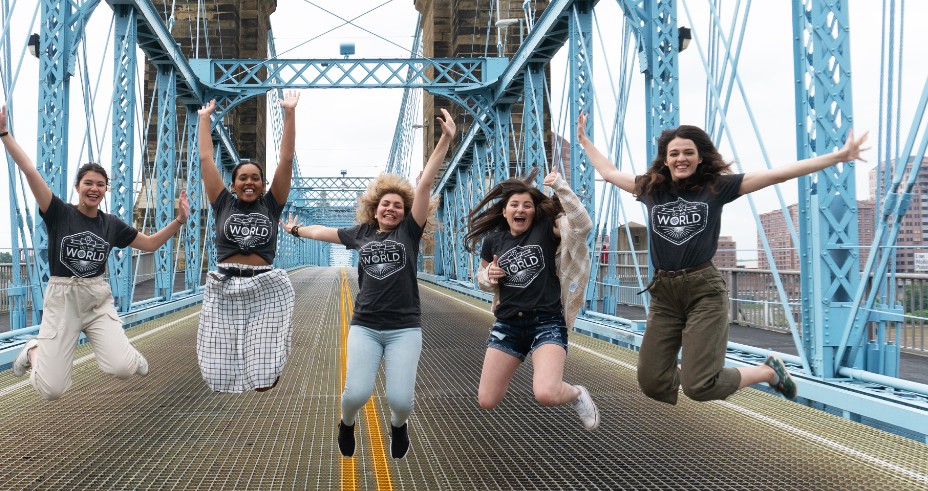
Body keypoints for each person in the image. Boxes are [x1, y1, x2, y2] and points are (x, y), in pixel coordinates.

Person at [577, 112, 868, 404]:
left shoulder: (716, 187)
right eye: (674, 153)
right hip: (664, 294)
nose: (681, 158)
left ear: (700, 157)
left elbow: (776, 174)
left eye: (688, 152)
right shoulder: (652, 188)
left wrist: (837, 157)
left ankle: (767, 372)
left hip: (703, 291)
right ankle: (695, 371)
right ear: (665, 159)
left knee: (699, 387)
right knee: (652, 382)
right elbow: (611, 173)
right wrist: (585, 141)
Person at [0, 98, 190, 400]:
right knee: (52, 391)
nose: (94, 188)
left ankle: (128, 358)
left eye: (101, 184)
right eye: (88, 183)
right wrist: (4, 133)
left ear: (106, 190)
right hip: (62, 299)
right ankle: (33, 349)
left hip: (95, 299)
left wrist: (180, 221)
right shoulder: (59, 213)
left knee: (122, 369)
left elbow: (152, 244)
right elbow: (29, 171)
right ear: (78, 187)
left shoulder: (111, 224)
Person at [278, 108, 456, 460]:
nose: (391, 209)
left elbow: (424, 185)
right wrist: (296, 229)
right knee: (355, 395)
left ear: (405, 213)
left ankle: (398, 425)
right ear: (375, 209)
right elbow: (322, 232)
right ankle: (347, 423)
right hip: (366, 325)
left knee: (400, 401)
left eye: (398, 206)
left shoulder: (410, 232)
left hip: (405, 327)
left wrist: (446, 141)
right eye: (385, 204)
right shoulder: (359, 234)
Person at [465, 171, 599, 431]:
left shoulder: (546, 228)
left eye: (527, 205)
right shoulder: (493, 240)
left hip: (546, 321)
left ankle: (576, 393)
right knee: (487, 400)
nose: (521, 209)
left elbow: (583, 225)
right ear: (504, 211)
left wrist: (560, 186)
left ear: (534, 211)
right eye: (514, 205)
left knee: (546, 393)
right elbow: (480, 278)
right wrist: (489, 276)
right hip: (507, 324)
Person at [193, 91, 300, 393]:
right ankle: (235, 371)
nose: (249, 182)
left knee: (263, 378)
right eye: (243, 178)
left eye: (255, 178)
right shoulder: (222, 203)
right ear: (233, 184)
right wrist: (204, 120)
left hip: (265, 285)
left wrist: (289, 113)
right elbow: (205, 158)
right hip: (224, 284)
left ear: (263, 184)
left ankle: (268, 366)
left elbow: (287, 159)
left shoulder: (272, 204)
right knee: (217, 375)